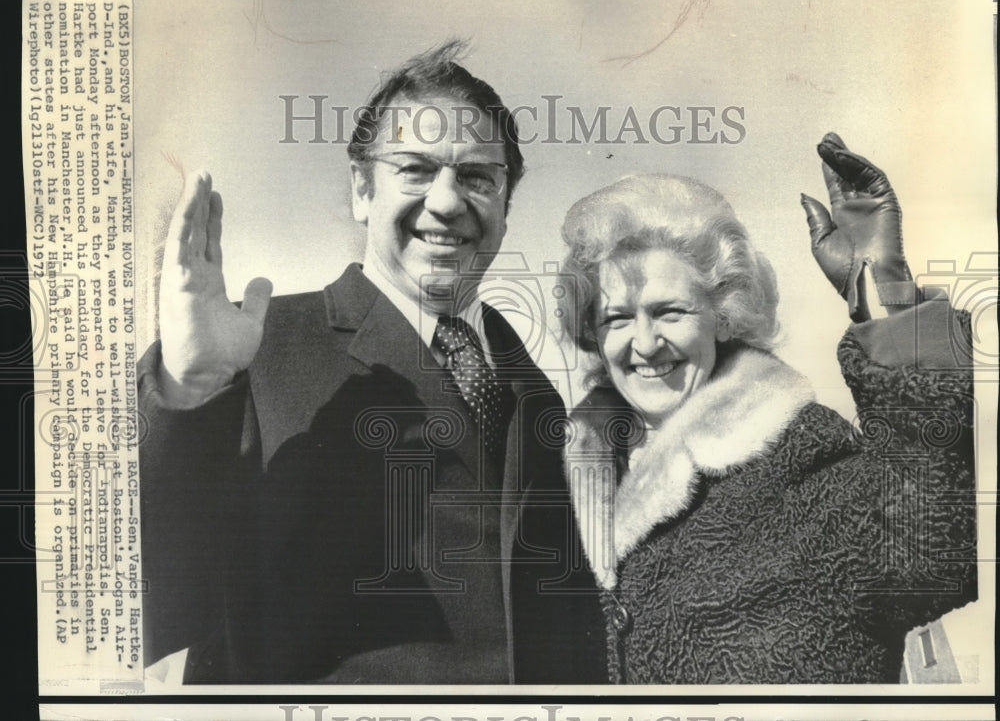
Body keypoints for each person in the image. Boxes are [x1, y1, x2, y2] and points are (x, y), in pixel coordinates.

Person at [138, 42, 607, 684]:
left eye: (477, 177)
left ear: (505, 205)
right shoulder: (258, 349)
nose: (446, 202)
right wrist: (189, 393)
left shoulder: (534, 390)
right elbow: (151, 603)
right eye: (414, 169)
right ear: (362, 188)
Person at [558, 133, 977, 683]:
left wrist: (889, 285)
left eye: (670, 312)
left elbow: (938, 550)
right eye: (616, 318)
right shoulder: (558, 486)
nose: (644, 342)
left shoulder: (803, 463)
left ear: (723, 314)